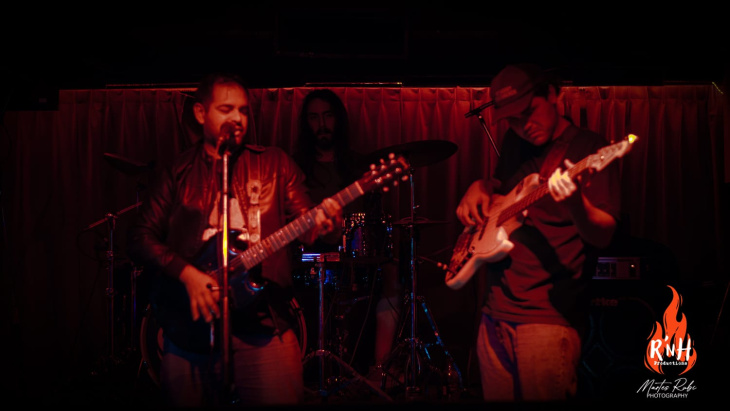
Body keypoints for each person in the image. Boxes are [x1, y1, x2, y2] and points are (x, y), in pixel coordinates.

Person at [126, 72, 343, 407]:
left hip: (265, 324)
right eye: (226, 109)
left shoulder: (274, 164)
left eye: (242, 110)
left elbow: (307, 223)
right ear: (201, 113)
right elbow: (140, 238)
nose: (237, 119)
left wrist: (325, 224)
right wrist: (187, 273)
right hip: (190, 328)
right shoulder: (177, 172)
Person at [455, 64, 620, 402]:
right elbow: (503, 193)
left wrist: (576, 203)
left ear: (554, 94)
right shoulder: (514, 143)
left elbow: (604, 236)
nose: (523, 126)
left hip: (547, 319)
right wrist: (480, 186)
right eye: (513, 120)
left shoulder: (589, 148)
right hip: (494, 311)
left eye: (529, 112)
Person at [292, 89, 403, 382]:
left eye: (328, 116)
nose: (322, 124)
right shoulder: (295, 167)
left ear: (338, 119)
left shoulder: (359, 167)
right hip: (309, 259)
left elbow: (375, 222)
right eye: (314, 117)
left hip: (356, 260)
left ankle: (379, 368)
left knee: (392, 270)